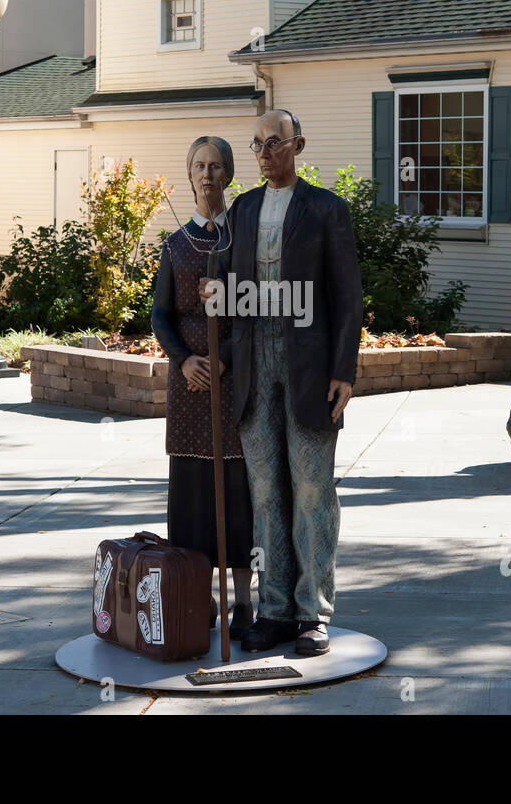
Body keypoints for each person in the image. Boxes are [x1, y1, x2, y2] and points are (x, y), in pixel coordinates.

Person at [200, 109, 363, 655]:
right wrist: (213, 295)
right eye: (257, 146)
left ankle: (313, 612)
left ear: (298, 144)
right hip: (253, 365)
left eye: (274, 143)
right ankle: (273, 609)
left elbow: (347, 297)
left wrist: (344, 370)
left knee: (313, 489)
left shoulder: (325, 209)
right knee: (266, 493)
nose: (265, 154)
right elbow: (227, 279)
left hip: (310, 366)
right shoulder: (242, 209)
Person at [150, 135, 254, 637]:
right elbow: (160, 314)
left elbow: (253, 313)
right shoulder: (176, 244)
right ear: (189, 175)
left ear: (228, 174)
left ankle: (244, 602)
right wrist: (186, 360)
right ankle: (200, 597)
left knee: (237, 493)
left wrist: (222, 361)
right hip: (188, 387)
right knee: (193, 496)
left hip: (233, 382)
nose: (207, 174)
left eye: (216, 166)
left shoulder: (244, 241)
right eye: (199, 166)